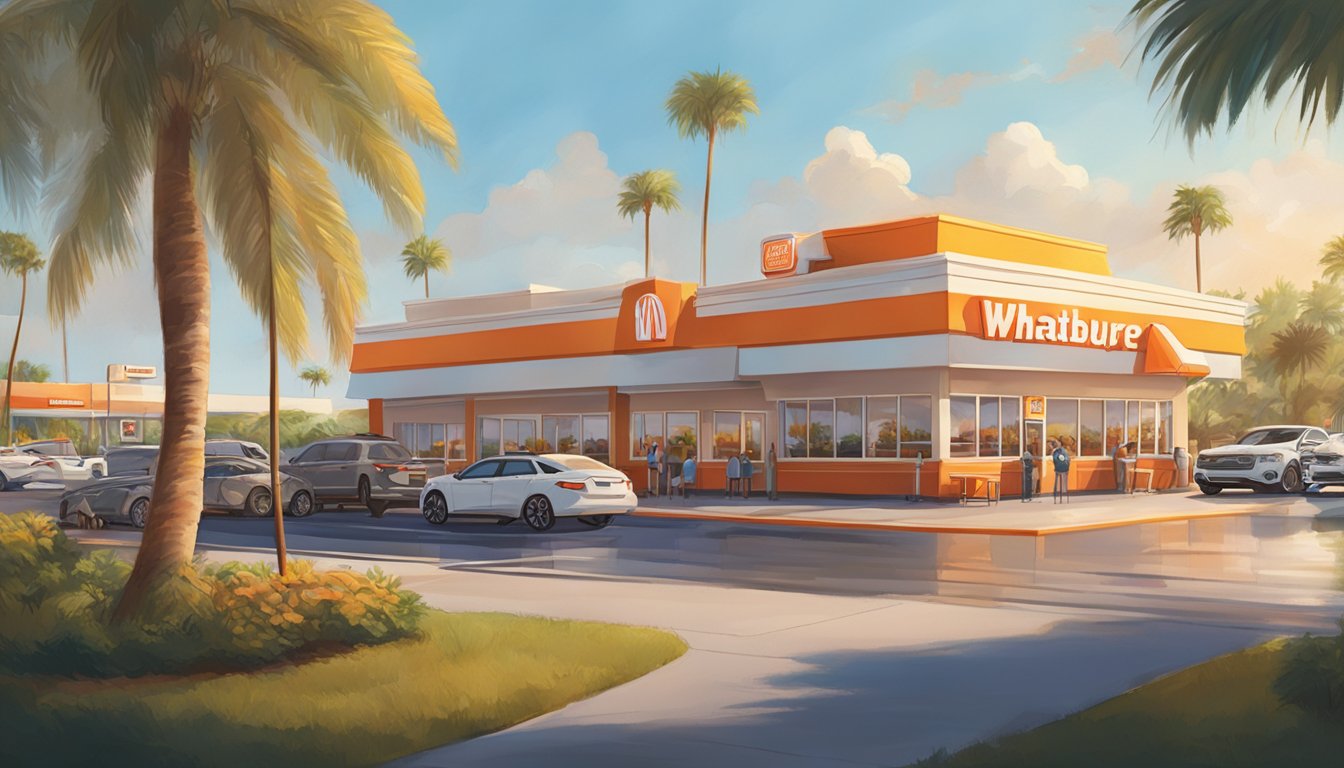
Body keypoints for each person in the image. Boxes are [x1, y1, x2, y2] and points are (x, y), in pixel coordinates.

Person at [1050, 439, 1071, 503]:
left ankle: (1056, 497)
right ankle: (1065, 495)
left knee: (1057, 482)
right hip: (1065, 469)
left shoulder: (1055, 452)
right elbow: (1068, 460)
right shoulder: (1065, 451)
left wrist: (1056, 467)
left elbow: (1054, 460)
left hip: (1058, 469)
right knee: (1064, 482)